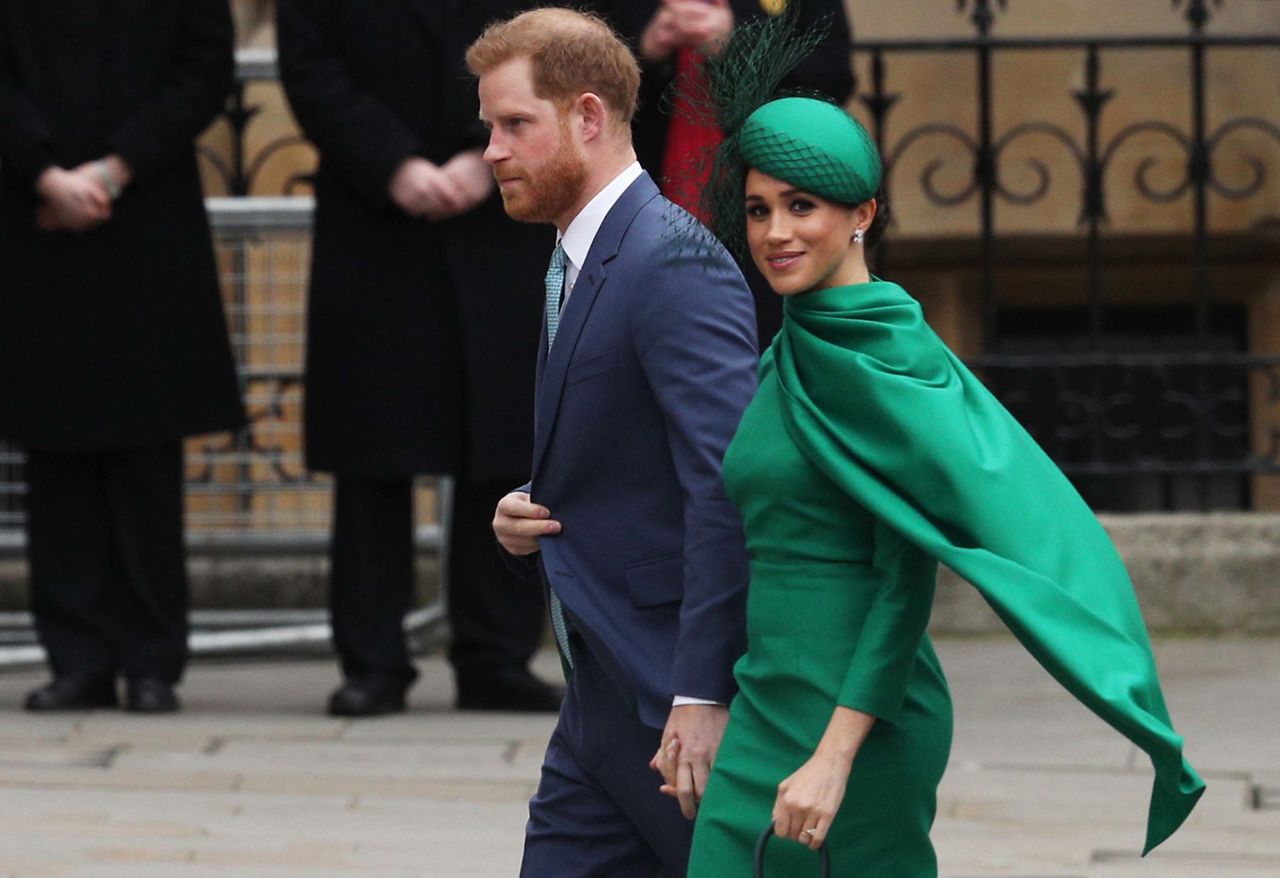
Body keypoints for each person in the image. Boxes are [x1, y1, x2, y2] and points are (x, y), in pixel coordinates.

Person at [680, 21, 1206, 876]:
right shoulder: (787, 350)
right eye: (758, 208)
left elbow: (904, 579)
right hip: (764, 706)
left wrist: (836, 756)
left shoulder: (891, 361)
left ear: (863, 215)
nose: (775, 232)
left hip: (858, 728)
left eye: (802, 206)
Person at [467, 8, 758, 875]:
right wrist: (527, 518)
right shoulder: (578, 256)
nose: (491, 150)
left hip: (669, 703)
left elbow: (726, 486)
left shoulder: (672, 261)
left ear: (587, 117)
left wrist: (703, 692)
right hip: (596, 704)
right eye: (489, 126)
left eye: (515, 124)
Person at [276, 0, 563, 716]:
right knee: (374, 451)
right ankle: (372, 659)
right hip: (375, 222)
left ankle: (496, 655)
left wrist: (485, 152)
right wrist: (393, 163)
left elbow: (552, 47)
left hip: (500, 214)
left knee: (502, 440)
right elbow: (312, 67)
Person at [0, 0, 245, 713]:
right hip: (33, 216)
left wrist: (112, 170)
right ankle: (75, 658)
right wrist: (45, 173)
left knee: (147, 459)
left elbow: (202, 71)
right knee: (55, 455)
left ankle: (150, 660)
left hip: (147, 214)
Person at [609, 0, 854, 348]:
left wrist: (739, 43)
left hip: (765, 219)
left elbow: (833, 77)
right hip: (640, 215)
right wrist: (641, 52)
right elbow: (575, 86)